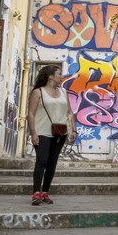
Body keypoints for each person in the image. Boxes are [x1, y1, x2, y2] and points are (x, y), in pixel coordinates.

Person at [26, 65, 71, 205]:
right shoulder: (38, 92)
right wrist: (33, 133)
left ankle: (45, 192)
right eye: (59, 74)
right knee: (42, 161)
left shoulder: (63, 92)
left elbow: (70, 112)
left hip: (60, 133)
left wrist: (73, 130)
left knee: (52, 163)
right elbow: (31, 114)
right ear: (50, 76)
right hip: (42, 132)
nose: (61, 76)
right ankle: (36, 193)